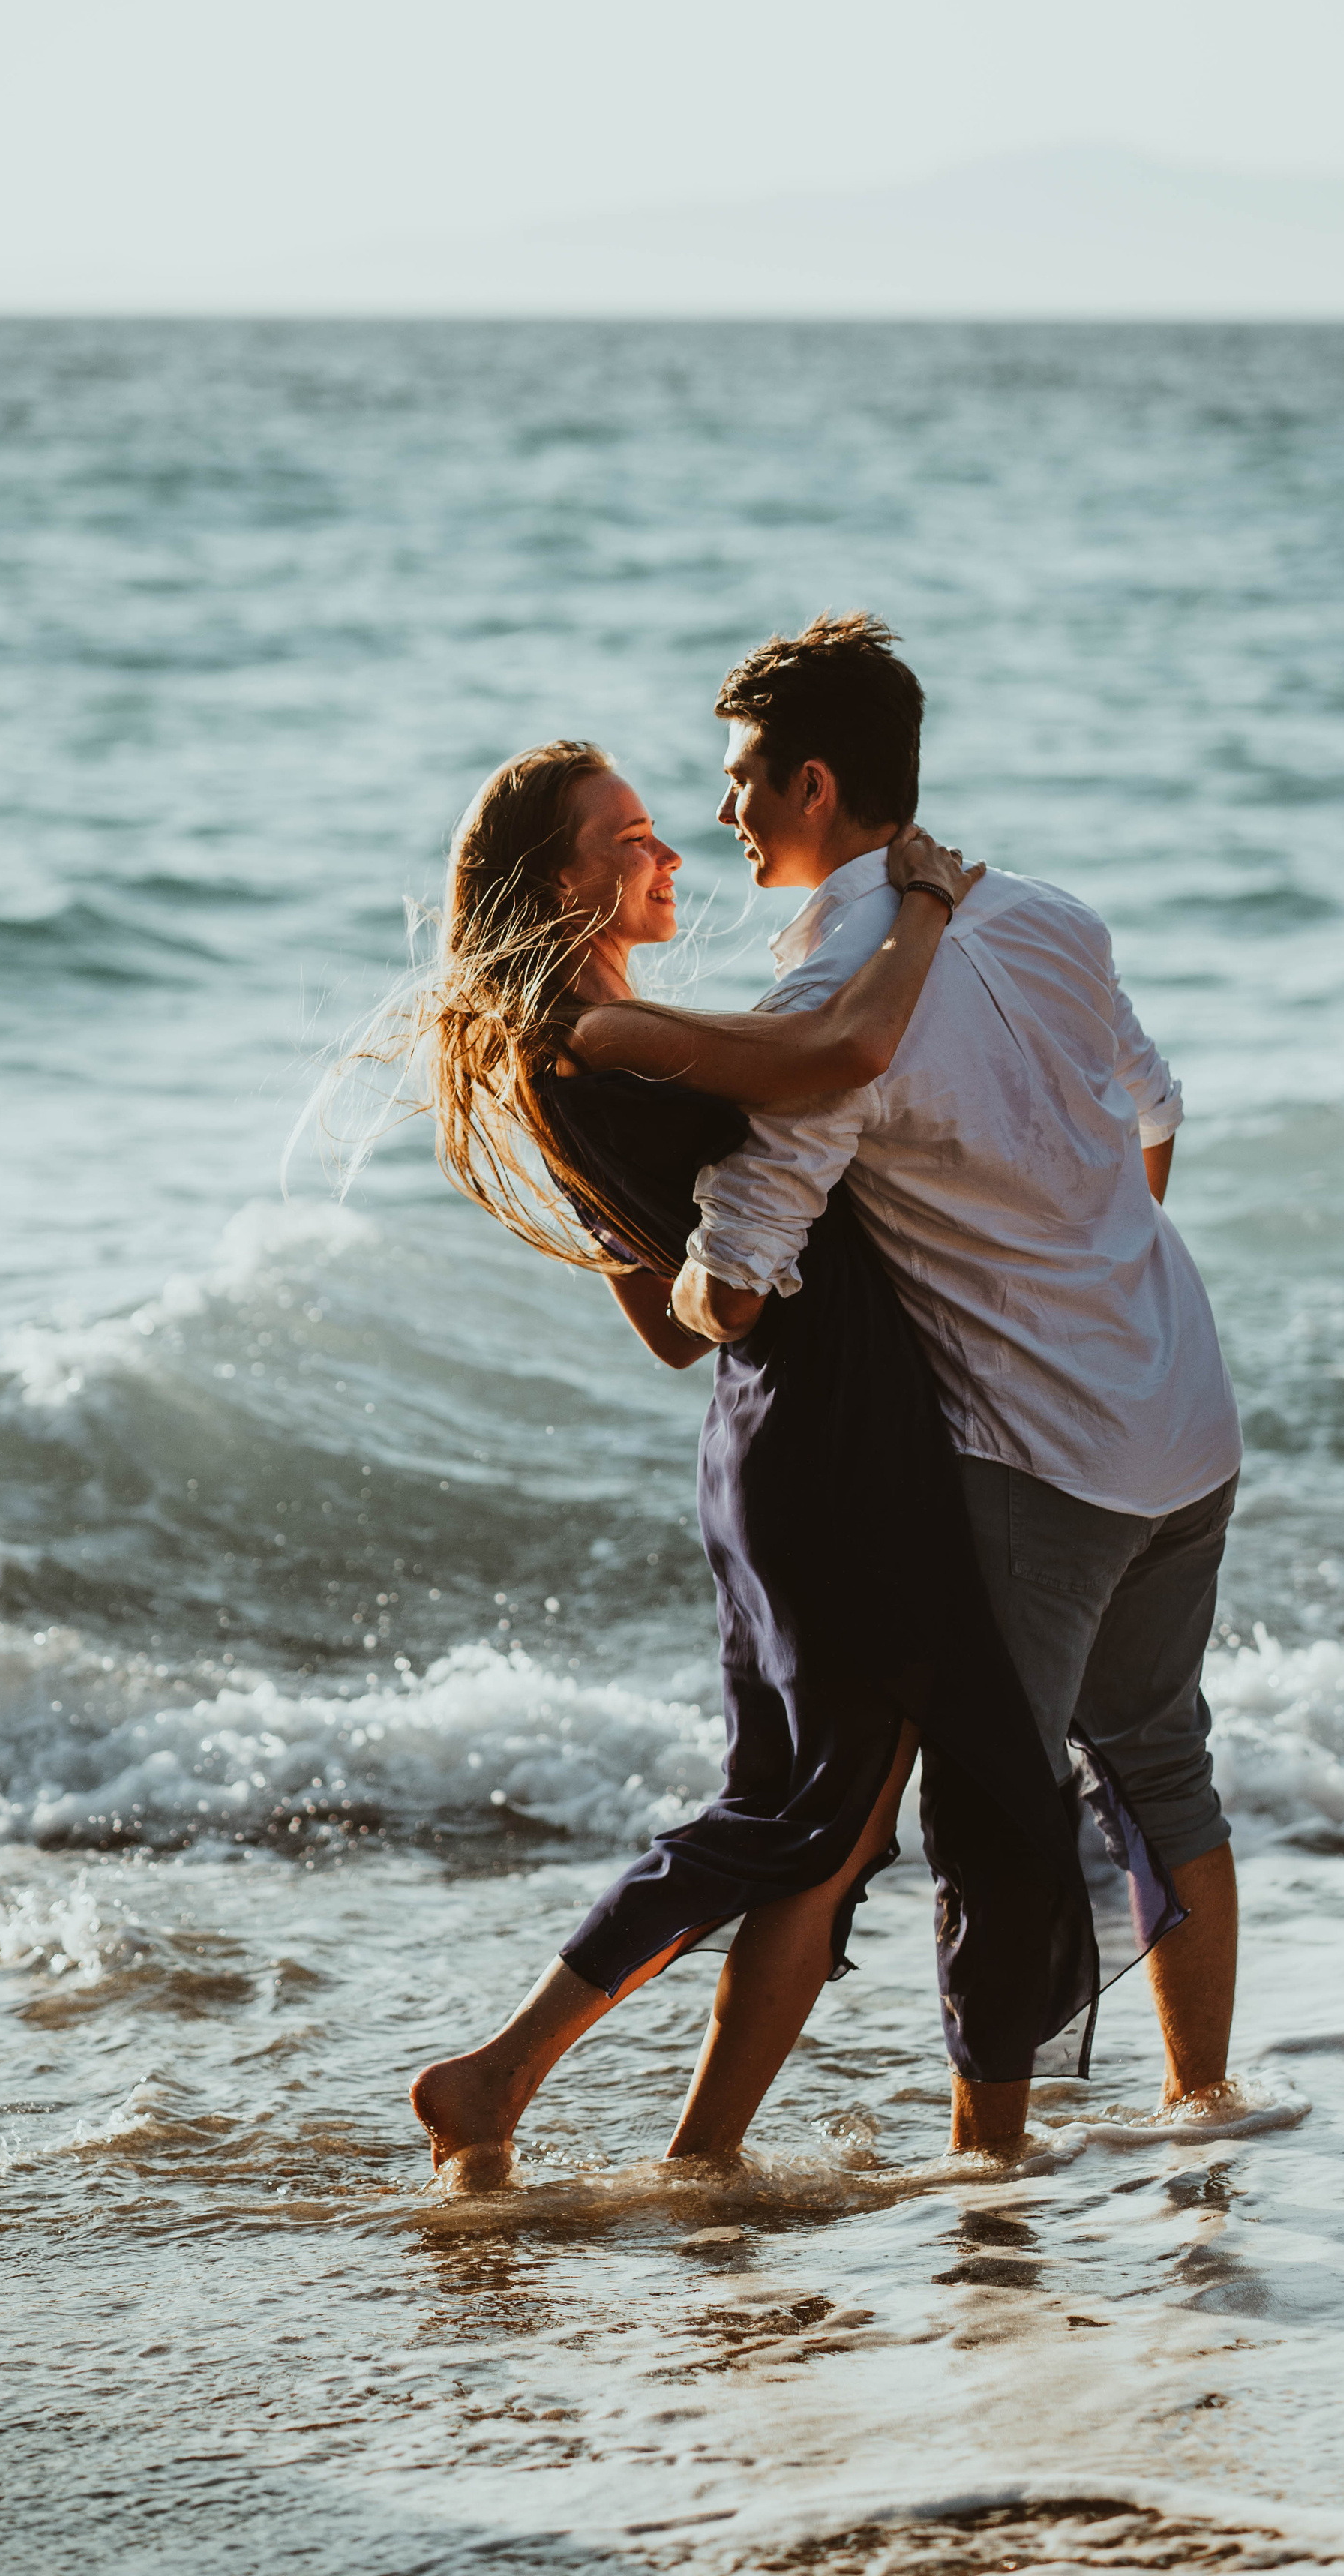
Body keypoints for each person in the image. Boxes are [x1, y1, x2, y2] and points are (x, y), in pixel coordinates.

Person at [394, 738, 1136, 2191]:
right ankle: (493, 2074)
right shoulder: (603, 1043)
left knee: (821, 1833)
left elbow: (673, 1325)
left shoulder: (577, 1051)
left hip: (776, 1438)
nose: (667, 857)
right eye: (630, 839)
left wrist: (728, 1255)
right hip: (829, 1452)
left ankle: (695, 2154)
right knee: (804, 1817)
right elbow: (846, 1052)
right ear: (561, 879)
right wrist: (920, 905)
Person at [674, 612, 1245, 2140]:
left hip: (1040, 1461)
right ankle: (1201, 2112)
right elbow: (1152, 1110)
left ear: (810, 785)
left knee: (990, 1812)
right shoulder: (1048, 914)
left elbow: (732, 1284)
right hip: (1182, 1407)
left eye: (737, 781)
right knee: (1158, 1765)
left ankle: (989, 2166)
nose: (719, 812)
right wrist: (1086, 1272)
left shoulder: (820, 1013)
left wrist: (646, 1262)